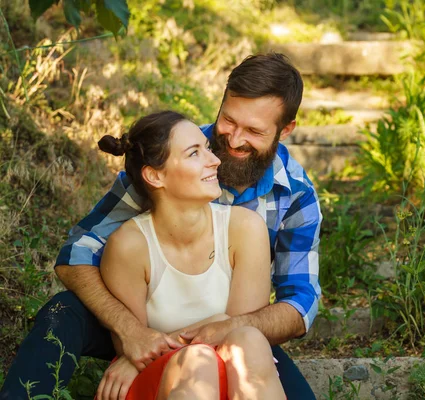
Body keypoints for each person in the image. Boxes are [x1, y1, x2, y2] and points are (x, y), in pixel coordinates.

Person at [0, 53, 321, 400]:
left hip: (232, 332)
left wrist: (220, 331)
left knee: (269, 370)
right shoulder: (168, 154)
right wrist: (131, 335)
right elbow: (78, 253)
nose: (232, 140)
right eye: (229, 120)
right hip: (141, 315)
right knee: (62, 312)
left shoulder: (295, 194)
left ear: (285, 130)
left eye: (255, 131)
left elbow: (300, 300)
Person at [94, 110, 285, 399]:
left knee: (248, 338)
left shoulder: (244, 228)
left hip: (234, 375)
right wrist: (209, 330)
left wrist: (179, 336)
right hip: (158, 380)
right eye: (195, 153)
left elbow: (240, 324)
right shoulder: (130, 245)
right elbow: (133, 345)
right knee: (199, 360)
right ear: (155, 175)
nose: (215, 160)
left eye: (207, 148)